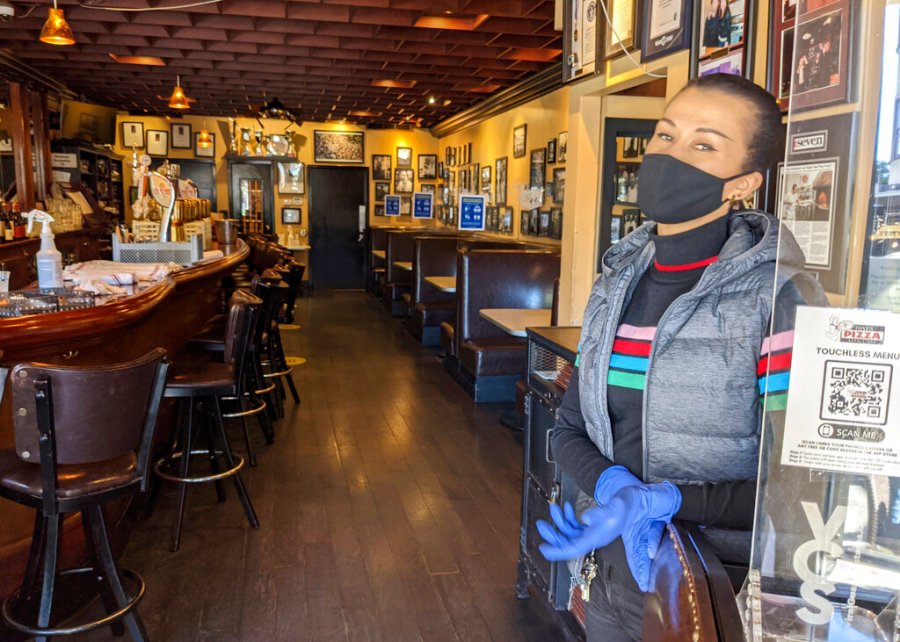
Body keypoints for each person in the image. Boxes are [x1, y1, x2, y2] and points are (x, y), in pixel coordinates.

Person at [536, 74, 826, 641]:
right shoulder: (616, 282)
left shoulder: (780, 299)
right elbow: (569, 426)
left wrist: (667, 500)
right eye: (666, 136)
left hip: (714, 591)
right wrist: (615, 489)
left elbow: (797, 489)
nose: (671, 155)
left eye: (704, 144)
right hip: (609, 578)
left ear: (742, 183)